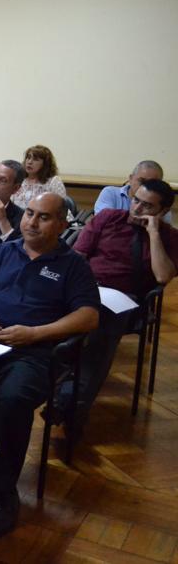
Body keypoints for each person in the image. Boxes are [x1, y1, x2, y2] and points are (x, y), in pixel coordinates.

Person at [0, 193, 99, 537]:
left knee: (13, 400)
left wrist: (35, 333)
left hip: (32, 353)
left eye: (43, 217)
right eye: (29, 214)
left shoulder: (73, 264)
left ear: (62, 225)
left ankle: (4, 493)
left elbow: (89, 316)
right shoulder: (6, 250)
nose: (31, 222)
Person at [70, 179, 178, 426]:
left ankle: (72, 402)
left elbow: (162, 276)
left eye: (147, 206)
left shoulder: (169, 237)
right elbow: (76, 257)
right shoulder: (108, 218)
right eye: (135, 199)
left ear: (162, 212)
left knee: (103, 325)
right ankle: (65, 391)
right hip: (88, 290)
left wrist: (153, 233)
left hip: (127, 302)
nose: (137, 208)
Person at [94, 159, 171, 223]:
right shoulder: (111, 193)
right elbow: (101, 220)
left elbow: (163, 233)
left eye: (151, 183)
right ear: (130, 178)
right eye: (142, 181)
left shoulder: (161, 206)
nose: (145, 187)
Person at [10, 145, 68, 209]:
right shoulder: (19, 179)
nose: (29, 162)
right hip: (18, 218)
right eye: (28, 158)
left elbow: (61, 208)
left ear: (45, 164)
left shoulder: (53, 181)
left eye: (35, 159)